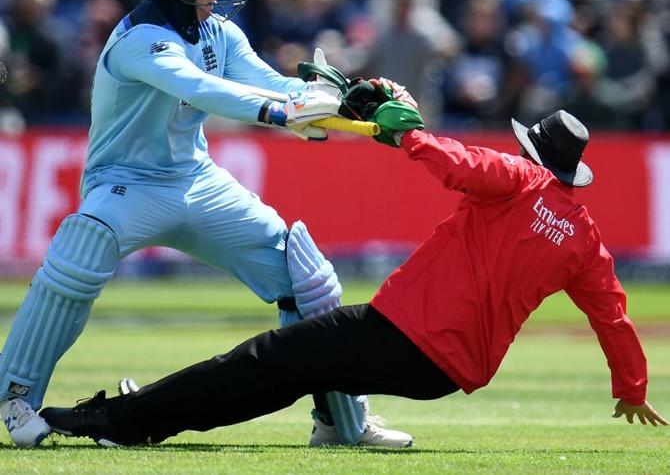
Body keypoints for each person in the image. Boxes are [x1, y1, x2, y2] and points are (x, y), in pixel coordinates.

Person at [0, 0, 411, 449]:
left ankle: (339, 421)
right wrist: (283, 113)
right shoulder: (138, 40)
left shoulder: (219, 32)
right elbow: (205, 89)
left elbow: (271, 81)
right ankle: (16, 398)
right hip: (126, 183)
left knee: (304, 275)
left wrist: (345, 99)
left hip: (196, 179)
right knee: (81, 250)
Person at [38, 106, 668, 447]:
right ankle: (328, 423)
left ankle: (120, 421)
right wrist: (633, 387)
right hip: (446, 375)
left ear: (533, 153)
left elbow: (461, 164)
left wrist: (407, 136)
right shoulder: (584, 239)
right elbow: (612, 315)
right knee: (291, 368)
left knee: (265, 361)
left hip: (401, 333)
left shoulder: (517, 179)